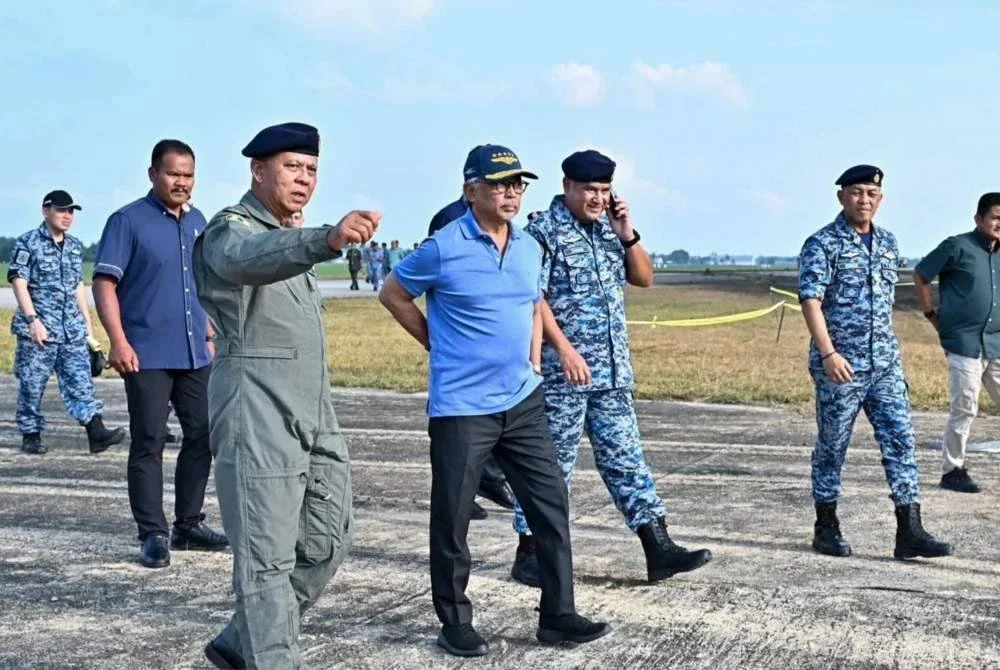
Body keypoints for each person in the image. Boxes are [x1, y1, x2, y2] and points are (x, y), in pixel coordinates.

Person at [380, 144, 610, 658]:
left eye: (518, 184)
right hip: (463, 407)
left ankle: (557, 614)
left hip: (523, 401)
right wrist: (432, 341)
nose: (511, 193)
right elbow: (393, 292)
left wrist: (533, 359)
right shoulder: (443, 246)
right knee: (454, 517)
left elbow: (532, 303)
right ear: (471, 191)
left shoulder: (529, 246)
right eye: (499, 184)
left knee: (551, 507)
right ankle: (455, 620)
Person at [192, 121, 379, 669]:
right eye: (292, 167)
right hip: (258, 411)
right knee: (265, 563)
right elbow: (246, 259)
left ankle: (237, 641)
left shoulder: (285, 231)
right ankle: (271, 657)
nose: (304, 179)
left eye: (312, 169)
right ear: (258, 170)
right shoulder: (234, 229)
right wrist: (324, 238)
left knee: (328, 537)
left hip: (312, 412)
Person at [510, 149, 712, 588]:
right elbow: (533, 299)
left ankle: (657, 547)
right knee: (550, 466)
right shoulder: (542, 233)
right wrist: (562, 349)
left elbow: (643, 278)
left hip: (612, 373)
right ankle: (528, 553)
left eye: (604, 190)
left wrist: (627, 234)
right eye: (590, 190)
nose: (598, 198)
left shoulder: (607, 231)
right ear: (567, 187)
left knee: (626, 460)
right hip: (563, 373)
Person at [798, 164, 952, 560]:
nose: (863, 200)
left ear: (880, 199)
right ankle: (826, 525)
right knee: (833, 446)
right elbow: (810, 300)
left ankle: (909, 530)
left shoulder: (887, 243)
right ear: (841, 197)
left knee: (901, 441)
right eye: (856, 192)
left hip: (884, 364)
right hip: (841, 366)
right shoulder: (822, 244)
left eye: (871, 193)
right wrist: (829, 353)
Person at [93, 140, 228, 569]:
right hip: (145, 352)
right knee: (149, 440)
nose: (181, 183)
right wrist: (117, 340)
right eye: (173, 174)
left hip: (194, 352)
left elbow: (204, 282)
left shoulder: (199, 222)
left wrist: (209, 329)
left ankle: (187, 524)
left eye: (188, 175)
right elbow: (104, 284)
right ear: (153, 174)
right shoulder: (127, 221)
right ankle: (152, 532)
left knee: (204, 433)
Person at [8, 190, 125, 455]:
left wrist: (86, 323)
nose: (67, 216)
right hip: (40, 329)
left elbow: (76, 287)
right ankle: (31, 433)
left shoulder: (73, 246)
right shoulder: (28, 243)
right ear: (45, 210)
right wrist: (32, 320)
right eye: (61, 210)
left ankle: (96, 432)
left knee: (81, 381)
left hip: (70, 329)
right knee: (32, 383)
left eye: (71, 211)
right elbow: (19, 282)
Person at [427, 188, 517, 518]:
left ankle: (481, 486)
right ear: (472, 189)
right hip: (460, 352)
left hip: (490, 354)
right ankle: (468, 497)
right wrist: (433, 339)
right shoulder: (450, 221)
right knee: (457, 436)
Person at [913, 192, 1000, 494]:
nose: (999, 224)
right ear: (979, 219)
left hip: (996, 343)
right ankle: (953, 470)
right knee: (965, 407)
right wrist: (931, 315)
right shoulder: (957, 246)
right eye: (996, 217)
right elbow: (921, 275)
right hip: (964, 343)